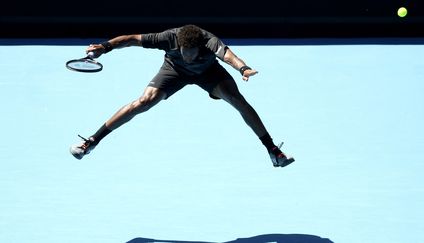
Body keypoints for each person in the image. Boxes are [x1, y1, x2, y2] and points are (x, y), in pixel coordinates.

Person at [70, 24, 294, 167]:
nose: (188, 56)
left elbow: (228, 55)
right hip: (174, 72)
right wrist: (105, 47)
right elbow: (131, 39)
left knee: (238, 101)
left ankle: (272, 150)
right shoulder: (168, 38)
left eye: (191, 53)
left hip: (208, 73)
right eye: (184, 52)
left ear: (200, 47)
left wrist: (243, 69)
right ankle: (92, 141)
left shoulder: (210, 41)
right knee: (144, 102)